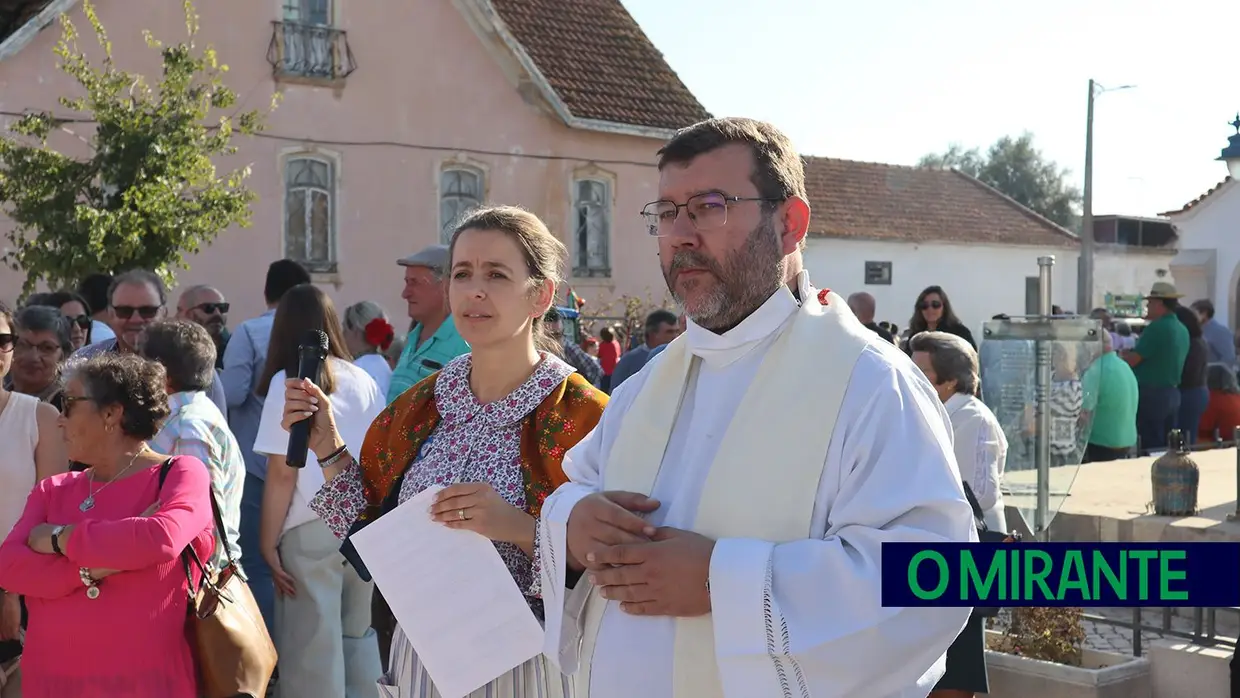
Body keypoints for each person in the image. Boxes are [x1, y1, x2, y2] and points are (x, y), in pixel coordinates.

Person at [537, 117, 974, 697]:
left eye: (709, 206)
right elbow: (576, 489)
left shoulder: (871, 384)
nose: (681, 235)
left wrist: (725, 583)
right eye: (667, 213)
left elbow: (930, 579)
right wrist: (573, 523)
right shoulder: (646, 387)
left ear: (789, 223)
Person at [281, 205, 609, 696]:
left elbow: (614, 560)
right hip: (422, 659)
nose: (475, 290)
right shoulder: (420, 405)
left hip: (530, 668)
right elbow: (370, 529)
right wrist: (327, 444)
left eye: (497, 274)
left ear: (540, 295)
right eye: (462, 273)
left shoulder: (584, 416)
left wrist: (518, 528)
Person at [0, 354, 214, 697]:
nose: (59, 420)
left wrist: (57, 540)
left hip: (144, 686)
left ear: (112, 413)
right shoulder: (54, 489)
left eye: (68, 404)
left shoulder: (181, 474)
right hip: (51, 684)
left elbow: (160, 538)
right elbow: (9, 567)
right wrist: (91, 570)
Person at [253, 284, 384, 698]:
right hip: (359, 522)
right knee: (359, 642)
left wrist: (266, 543)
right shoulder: (364, 378)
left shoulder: (289, 382)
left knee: (312, 652)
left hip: (308, 528)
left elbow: (282, 473)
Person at [908, 331, 1001, 698]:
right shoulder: (928, 412)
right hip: (931, 555)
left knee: (955, 674)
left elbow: (983, 492)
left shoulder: (972, 418)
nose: (911, 377)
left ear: (949, 381)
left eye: (922, 372)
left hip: (961, 557)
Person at [141, 320, 245, 573]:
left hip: (190, 580)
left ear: (162, 374)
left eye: (142, 363)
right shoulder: (188, 416)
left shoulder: (187, 429)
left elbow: (205, 521)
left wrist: (198, 586)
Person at [342, 301, 396, 397]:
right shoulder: (384, 367)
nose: (341, 335)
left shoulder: (354, 371)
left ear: (356, 331)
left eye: (345, 329)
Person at [906, 286, 975, 351]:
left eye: (935, 304)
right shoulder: (915, 336)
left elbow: (972, 358)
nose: (930, 309)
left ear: (944, 307)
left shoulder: (960, 333)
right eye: (924, 305)